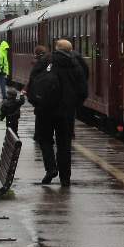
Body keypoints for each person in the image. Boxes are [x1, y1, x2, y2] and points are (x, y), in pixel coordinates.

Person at [27, 38, 88, 186]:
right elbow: (83, 90)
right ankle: (65, 178)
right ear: (70, 50)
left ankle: (51, 169)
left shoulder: (46, 61)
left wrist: (37, 103)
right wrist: (74, 106)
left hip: (45, 111)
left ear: (56, 48)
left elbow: (32, 83)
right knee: (64, 144)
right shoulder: (76, 64)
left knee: (45, 140)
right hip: (66, 112)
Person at [0, 36, 11, 101]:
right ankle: (4, 96)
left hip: (2, 71)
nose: (7, 49)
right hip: (0, 71)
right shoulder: (0, 53)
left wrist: (7, 72)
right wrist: (0, 70)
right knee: (2, 84)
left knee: (2, 84)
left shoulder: (3, 52)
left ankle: (4, 96)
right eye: (6, 48)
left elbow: (5, 64)